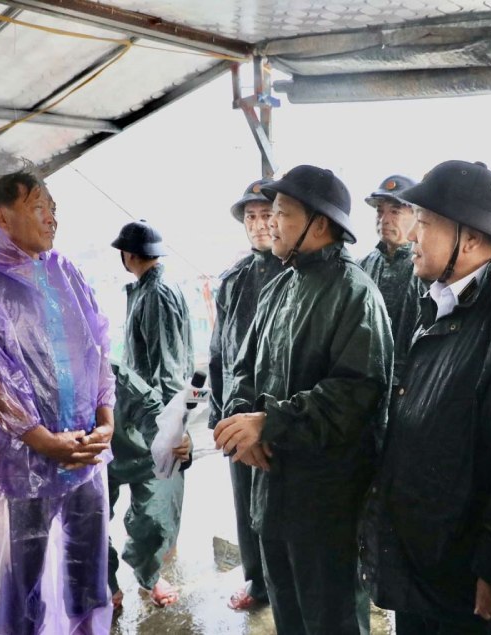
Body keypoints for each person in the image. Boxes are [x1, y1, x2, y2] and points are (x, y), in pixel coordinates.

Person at [359, 161, 491, 634]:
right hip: (428, 552)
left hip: (466, 572)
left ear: (469, 239)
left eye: (425, 224)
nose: (413, 236)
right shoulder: (441, 298)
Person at [214, 165, 393, 635]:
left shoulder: (355, 294)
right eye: (270, 212)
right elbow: (241, 370)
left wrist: (269, 423)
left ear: (319, 223)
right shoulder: (278, 288)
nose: (270, 222)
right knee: (288, 614)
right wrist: (241, 427)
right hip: (271, 493)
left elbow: (355, 394)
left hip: (326, 502)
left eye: (282, 213)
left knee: (331, 618)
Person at [0, 172, 115, 635]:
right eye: (40, 205)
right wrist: (41, 439)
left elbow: (98, 347)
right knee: (21, 586)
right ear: (2, 217)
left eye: (54, 206)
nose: (52, 216)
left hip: (86, 454)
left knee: (88, 575)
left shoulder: (66, 270)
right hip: (24, 465)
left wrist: (106, 419)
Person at [208, 178, 285, 611]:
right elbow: (220, 351)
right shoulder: (234, 279)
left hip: (276, 416)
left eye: (266, 215)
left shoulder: (294, 272)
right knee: (244, 503)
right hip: (236, 412)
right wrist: (222, 416)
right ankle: (258, 582)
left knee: (279, 507)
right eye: (251, 217)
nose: (258, 225)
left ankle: (281, 583)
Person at [109, 220, 194, 609]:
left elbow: (171, 369)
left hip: (154, 421)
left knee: (156, 512)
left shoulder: (157, 294)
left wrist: (173, 430)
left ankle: (148, 578)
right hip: (135, 420)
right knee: (110, 503)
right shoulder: (144, 292)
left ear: (128, 256)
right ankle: (115, 580)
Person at [358, 175, 428, 384]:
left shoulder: (426, 268)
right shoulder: (362, 266)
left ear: (416, 216)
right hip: (364, 381)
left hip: (408, 383)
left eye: (395, 212)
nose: (384, 220)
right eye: (380, 211)